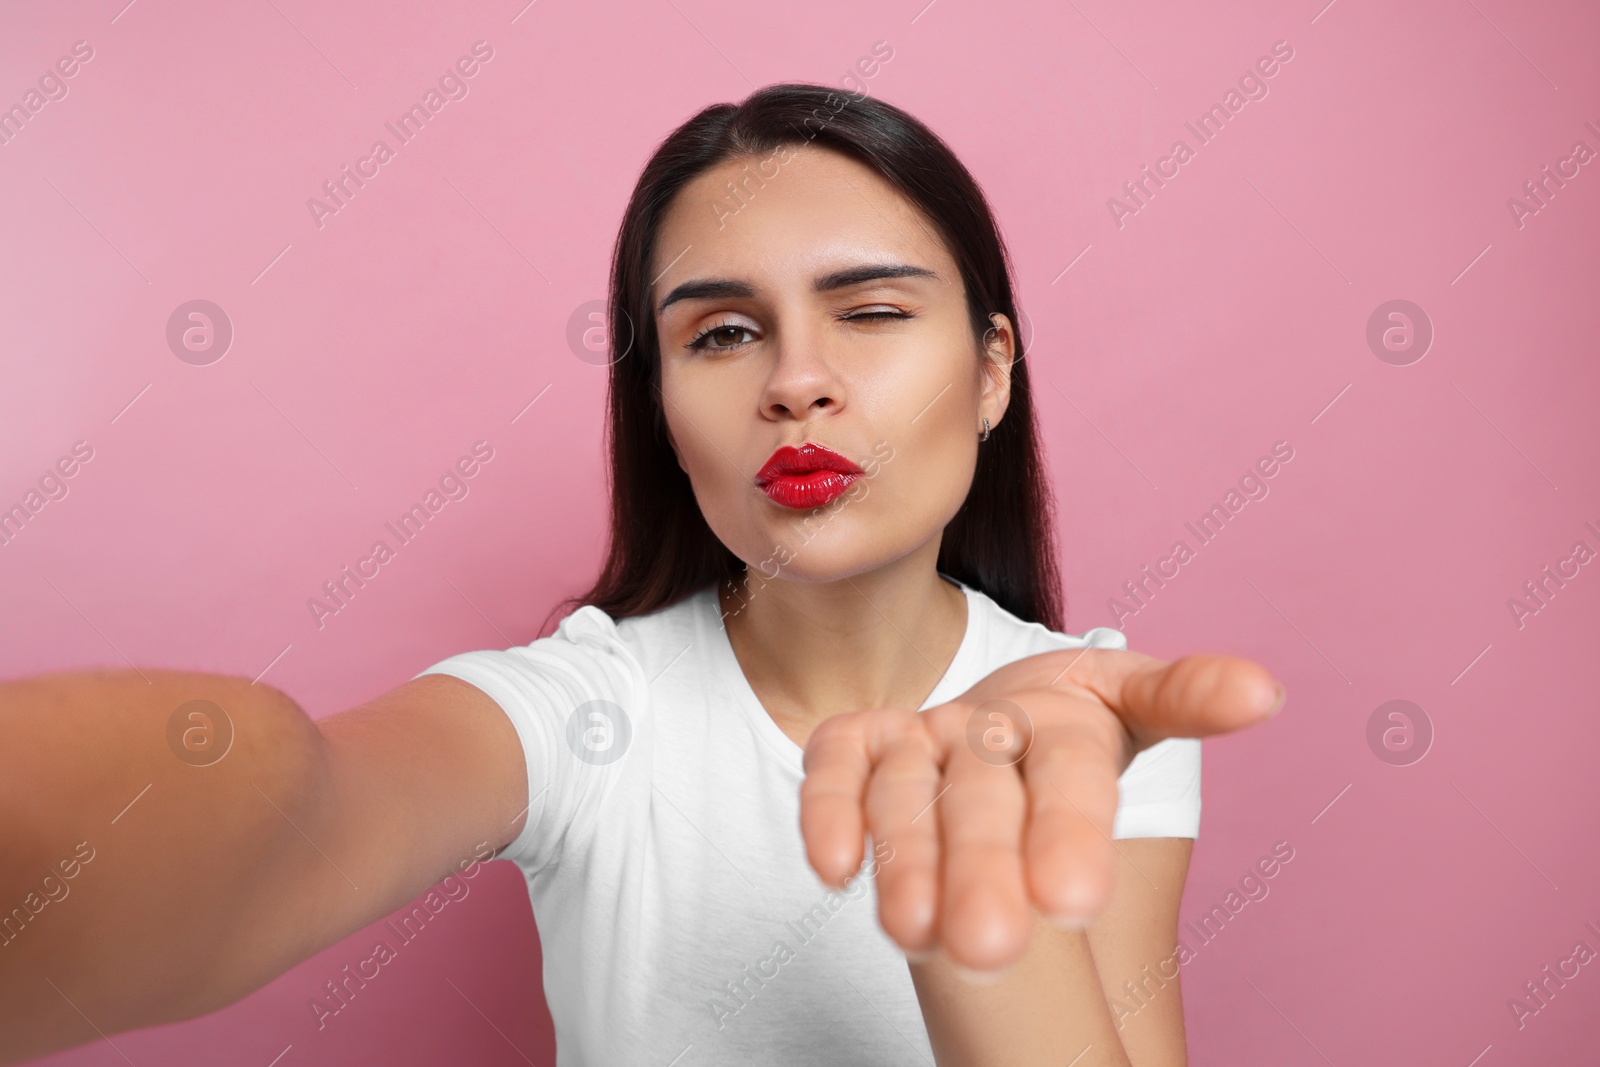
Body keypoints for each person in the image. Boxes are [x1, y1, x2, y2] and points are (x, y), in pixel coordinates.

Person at [0, 83, 1282, 1067]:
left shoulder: (1092, 714)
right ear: (661, 406)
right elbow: (307, 808)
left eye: (874, 312)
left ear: (994, 367)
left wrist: (965, 892)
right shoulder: (584, 711)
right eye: (721, 333)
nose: (795, 378)